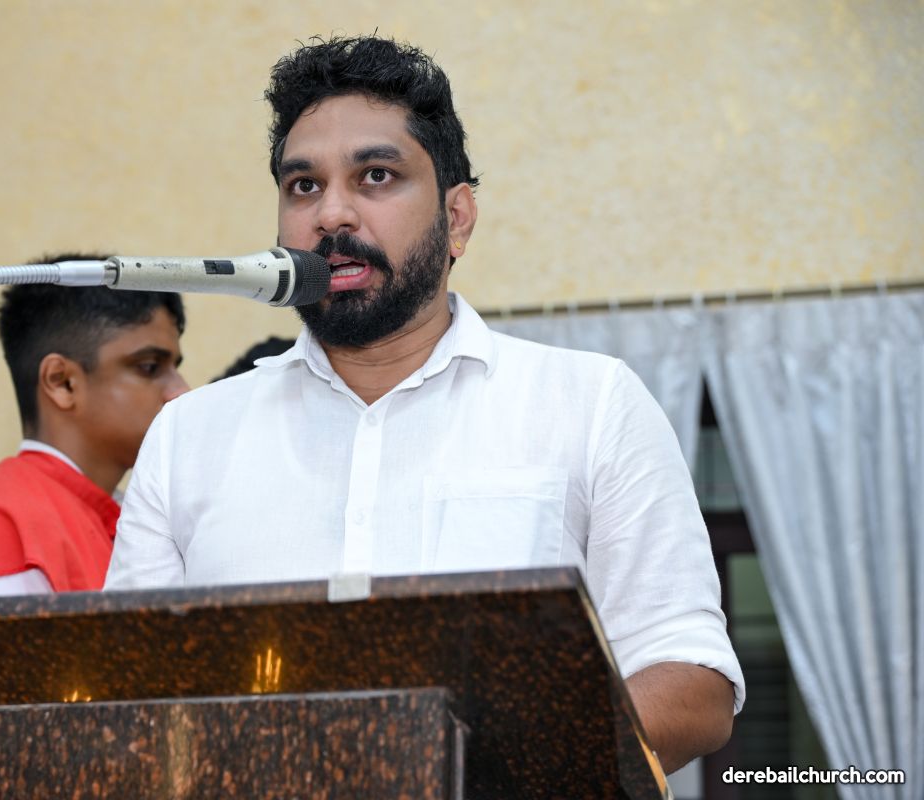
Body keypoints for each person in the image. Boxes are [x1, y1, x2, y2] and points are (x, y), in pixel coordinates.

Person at [104, 36, 742, 771]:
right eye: (303, 186)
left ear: (458, 218)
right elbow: (129, 702)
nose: (331, 215)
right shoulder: (188, 435)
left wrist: (468, 764)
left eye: (376, 176)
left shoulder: (590, 404)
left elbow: (692, 685)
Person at [0, 255, 188, 600]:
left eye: (175, 368)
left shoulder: (124, 519)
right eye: (150, 367)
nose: (181, 391)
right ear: (62, 382)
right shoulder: (4, 528)